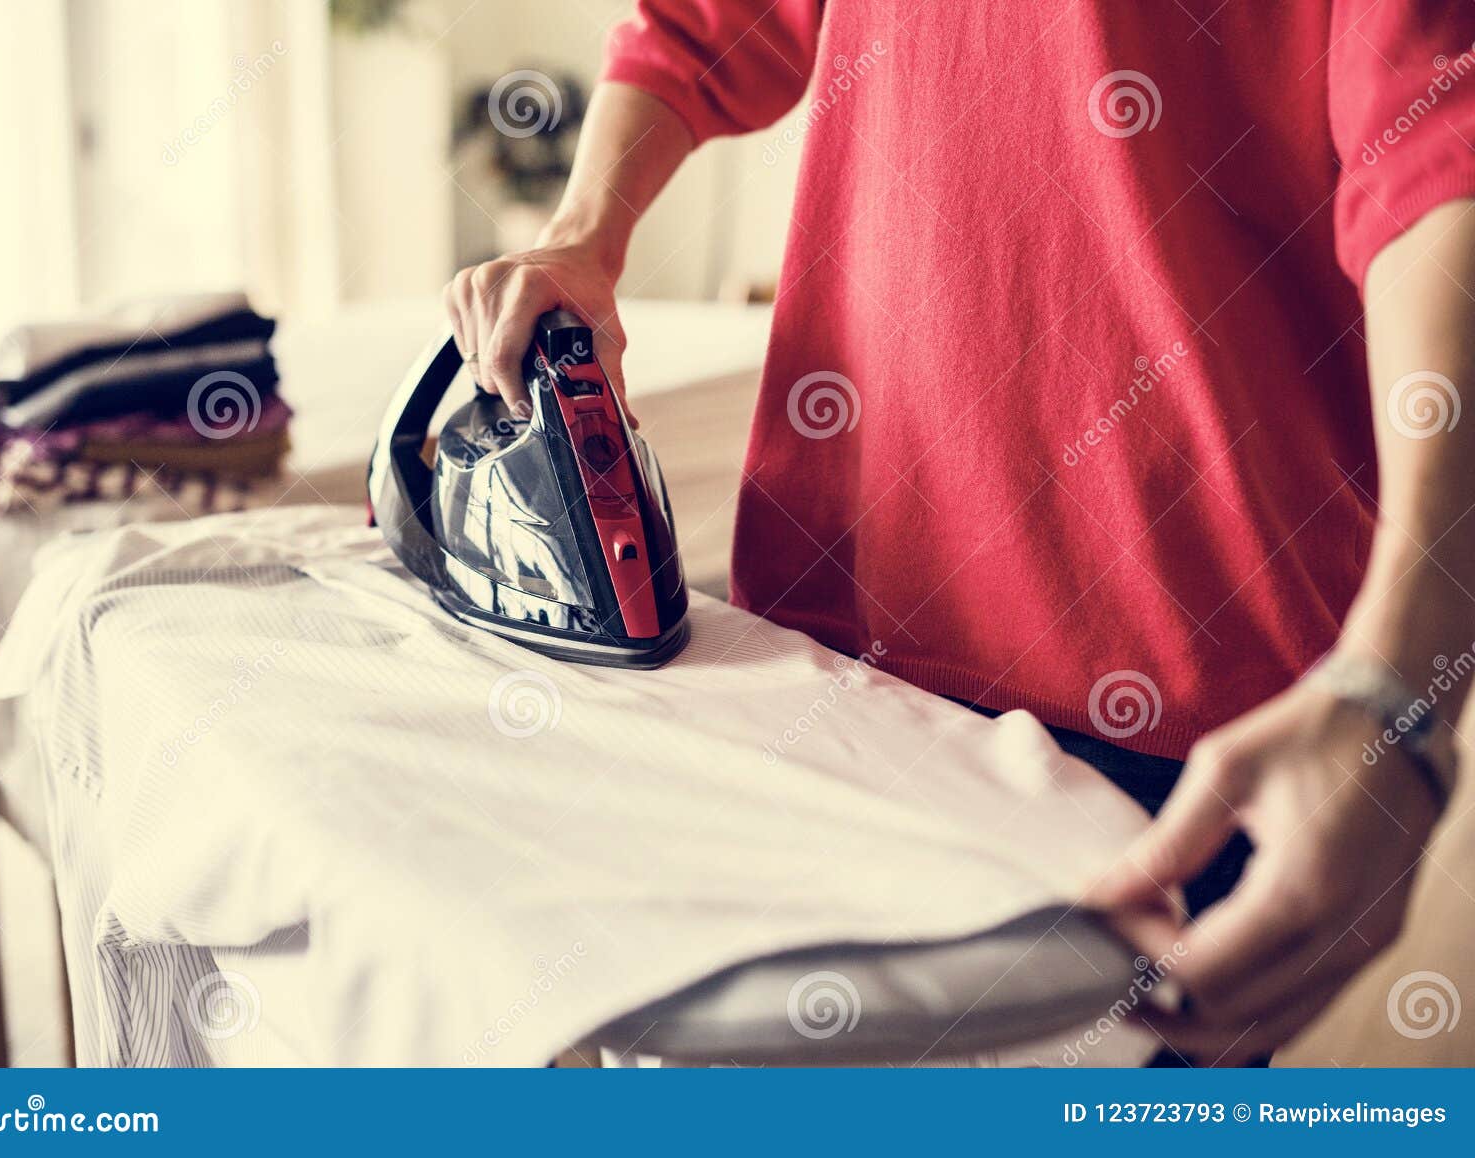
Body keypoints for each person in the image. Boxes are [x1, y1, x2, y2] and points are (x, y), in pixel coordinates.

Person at [444, 2, 1470, 1064]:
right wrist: (581, 235)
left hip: (1180, 701)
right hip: (828, 649)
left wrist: (1395, 689)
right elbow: (707, 26)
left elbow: (1441, 154)